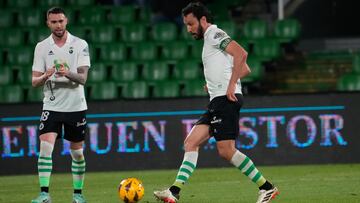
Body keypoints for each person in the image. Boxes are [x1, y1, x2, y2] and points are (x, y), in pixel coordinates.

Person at [153, 2, 279, 203]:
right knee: (191, 143)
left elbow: (242, 54)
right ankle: (174, 192)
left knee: (226, 151)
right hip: (217, 98)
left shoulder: (213, 33)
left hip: (225, 99)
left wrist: (229, 86)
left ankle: (267, 188)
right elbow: (245, 69)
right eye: (186, 25)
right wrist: (215, 82)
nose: (189, 29)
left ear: (203, 20)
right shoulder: (212, 42)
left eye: (191, 24)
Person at [31, 7, 90, 203]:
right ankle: (44, 194)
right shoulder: (41, 47)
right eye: (54, 22)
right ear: (48, 23)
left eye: (61, 21)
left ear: (66, 21)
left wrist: (66, 73)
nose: (58, 25)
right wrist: (46, 75)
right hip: (52, 106)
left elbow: (82, 78)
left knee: (77, 153)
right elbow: (34, 82)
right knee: (45, 148)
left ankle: (78, 195)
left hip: (75, 106)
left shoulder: (80, 44)